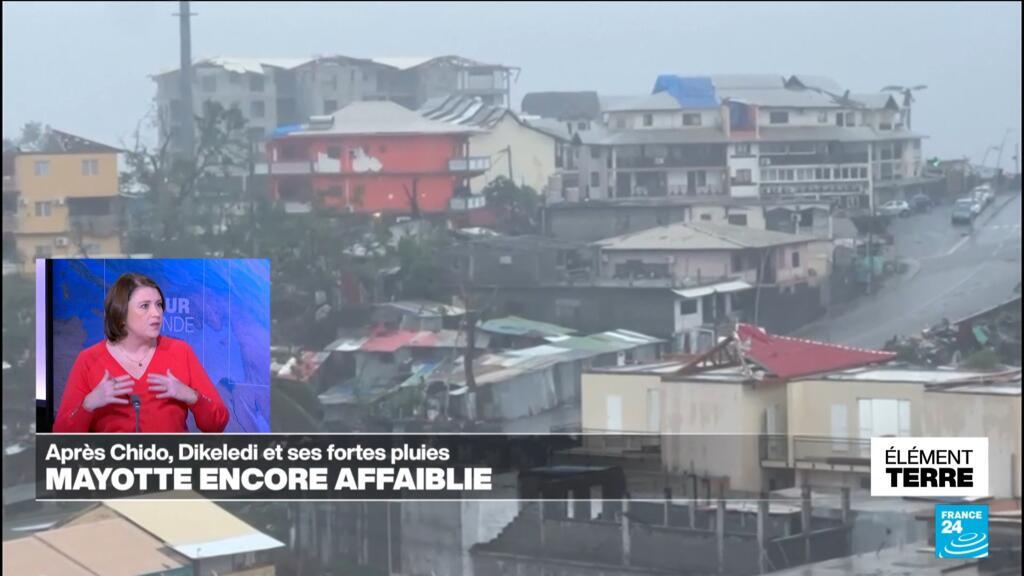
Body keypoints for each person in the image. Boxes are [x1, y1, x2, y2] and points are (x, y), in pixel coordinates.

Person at [53, 273, 229, 433]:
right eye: (145, 306)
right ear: (121, 315)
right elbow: (61, 436)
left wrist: (191, 396)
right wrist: (89, 404)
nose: (156, 313)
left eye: (159, 305)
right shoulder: (89, 359)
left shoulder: (180, 351)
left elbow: (217, 422)